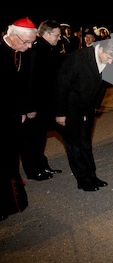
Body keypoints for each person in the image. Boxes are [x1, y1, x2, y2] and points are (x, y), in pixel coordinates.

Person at [55, 36, 113, 191]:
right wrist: (60, 113)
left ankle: (92, 176)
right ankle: (83, 180)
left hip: (88, 109)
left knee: (85, 143)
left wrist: (96, 107)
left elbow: (103, 85)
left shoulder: (109, 60)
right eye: (109, 58)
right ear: (102, 50)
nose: (111, 62)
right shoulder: (78, 58)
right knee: (74, 146)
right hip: (70, 108)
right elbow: (61, 86)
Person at [1, 18, 37, 220]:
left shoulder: (22, 51)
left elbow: (22, 85)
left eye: (32, 42)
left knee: (10, 160)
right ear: (13, 37)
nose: (30, 47)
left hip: (13, 117)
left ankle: (13, 202)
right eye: (27, 42)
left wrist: (23, 109)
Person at [22, 20, 64, 182]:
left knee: (40, 138)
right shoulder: (36, 50)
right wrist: (30, 106)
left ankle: (43, 166)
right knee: (31, 139)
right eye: (57, 35)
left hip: (45, 102)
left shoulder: (49, 49)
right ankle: (33, 170)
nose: (59, 38)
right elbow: (30, 80)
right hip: (35, 104)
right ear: (46, 34)